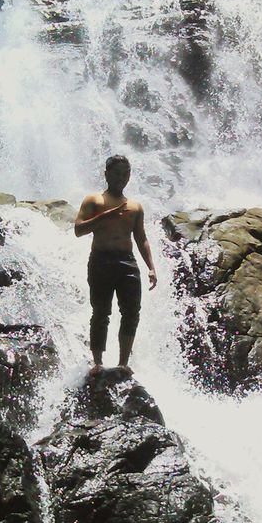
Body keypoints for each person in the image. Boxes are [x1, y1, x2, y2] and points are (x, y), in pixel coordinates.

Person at [74, 155, 157, 373]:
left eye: (125, 173)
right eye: (117, 172)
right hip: (101, 259)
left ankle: (123, 363)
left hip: (127, 262)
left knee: (132, 312)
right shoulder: (94, 200)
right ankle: (98, 363)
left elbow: (141, 238)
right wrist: (103, 218)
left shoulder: (135, 207)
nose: (121, 177)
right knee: (101, 311)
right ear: (106, 174)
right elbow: (78, 230)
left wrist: (151, 267)